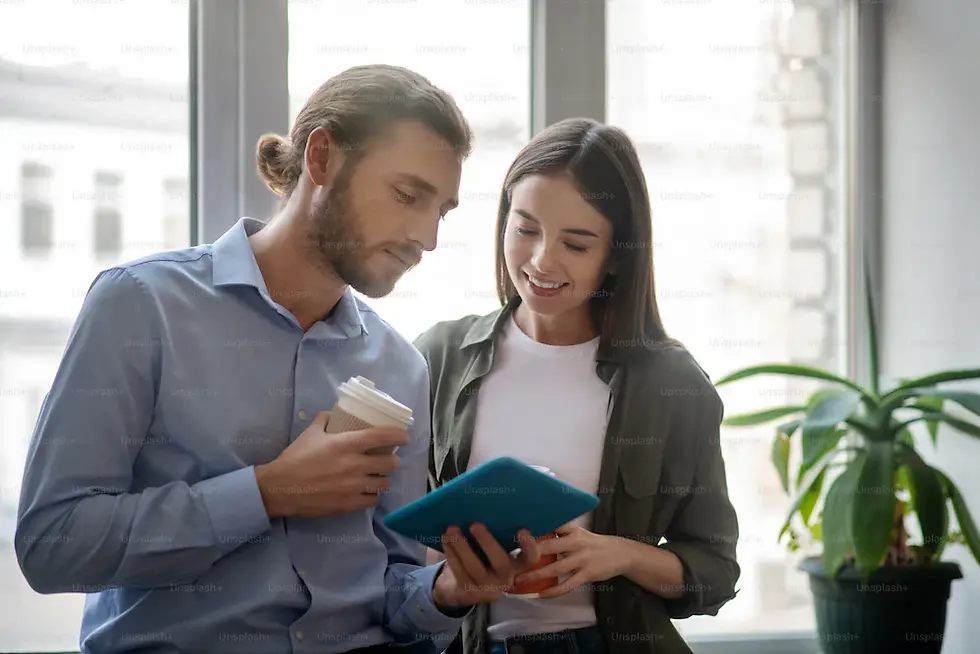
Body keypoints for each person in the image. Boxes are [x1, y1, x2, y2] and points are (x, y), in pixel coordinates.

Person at [15, 64, 542, 654]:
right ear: (322, 159)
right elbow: (52, 547)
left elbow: (393, 588)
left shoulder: (400, 365)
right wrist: (268, 492)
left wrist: (447, 590)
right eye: (407, 195)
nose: (427, 236)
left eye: (441, 210)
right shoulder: (140, 307)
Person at [414, 118, 741, 654]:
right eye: (525, 229)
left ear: (616, 257)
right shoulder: (438, 356)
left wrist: (619, 555)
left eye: (577, 243)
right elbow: (400, 554)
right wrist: (450, 579)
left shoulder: (672, 385)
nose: (543, 260)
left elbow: (716, 569)